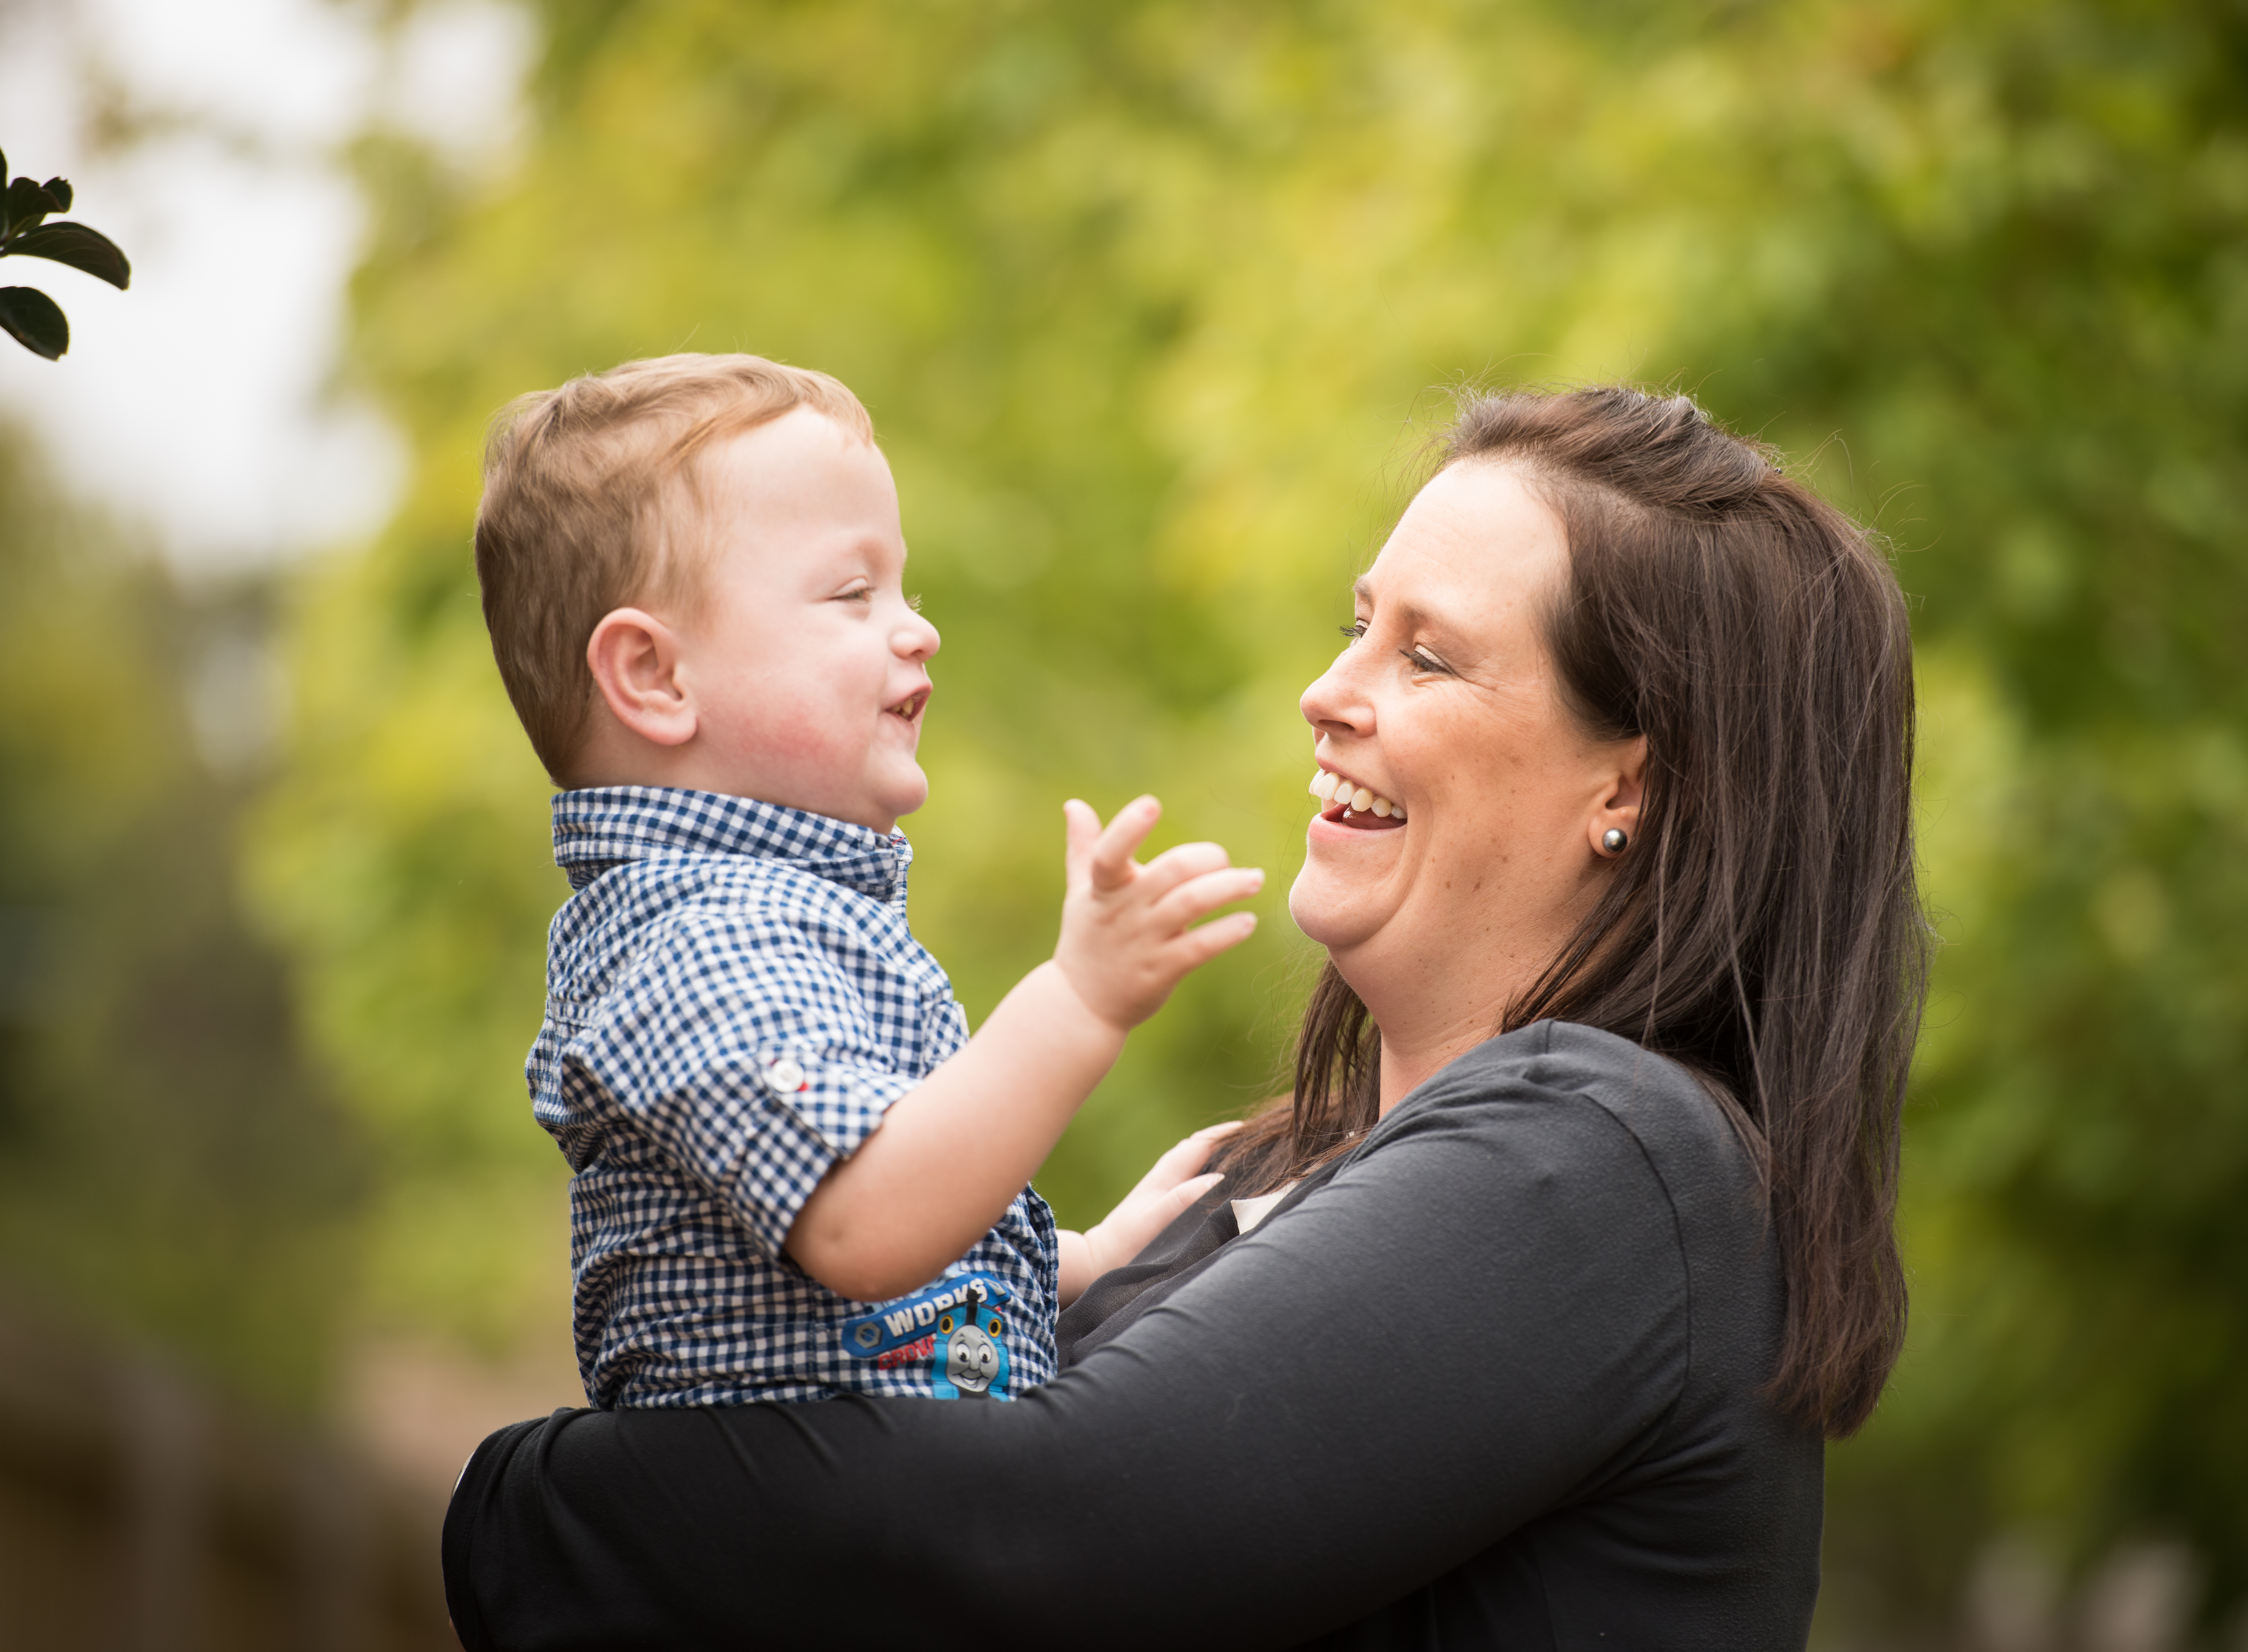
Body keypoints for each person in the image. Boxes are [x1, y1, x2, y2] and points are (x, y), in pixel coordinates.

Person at [444, 386, 1932, 1651]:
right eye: (1356, 625)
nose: (1323, 691)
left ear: (1630, 786)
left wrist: (524, 1509)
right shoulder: (1256, 1177)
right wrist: (1075, 1258)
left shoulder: (1609, 1168)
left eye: (1424, 654)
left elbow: (1036, 1537)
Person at [471, 352, 1262, 1410]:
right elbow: (865, 1220)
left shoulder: (781, 920)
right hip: (799, 1546)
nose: (918, 626)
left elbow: (921, 1253)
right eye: (853, 593)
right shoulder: (699, 944)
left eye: (905, 586)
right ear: (656, 679)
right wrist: (1076, 1003)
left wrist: (1095, 1254)